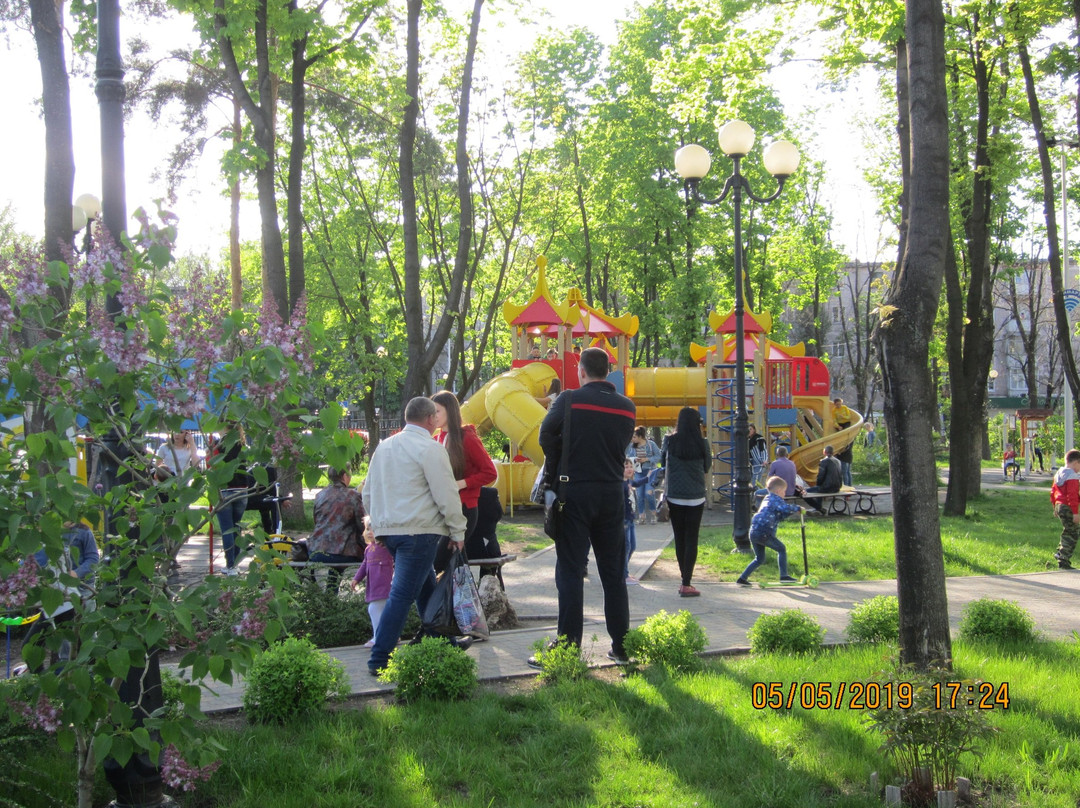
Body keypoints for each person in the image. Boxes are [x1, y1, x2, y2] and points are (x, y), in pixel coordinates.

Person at [531, 346, 635, 667]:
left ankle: (566, 648)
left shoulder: (568, 400)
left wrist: (567, 455)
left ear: (581, 371)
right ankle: (621, 645)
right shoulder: (627, 408)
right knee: (613, 572)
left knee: (571, 571)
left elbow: (545, 436)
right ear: (608, 371)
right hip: (611, 494)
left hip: (572, 492)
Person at [363, 397, 468, 676]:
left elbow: (367, 492)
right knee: (402, 593)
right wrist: (458, 531)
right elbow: (446, 494)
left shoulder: (383, 448)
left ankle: (446, 643)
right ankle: (379, 658)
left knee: (424, 589)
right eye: (435, 416)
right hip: (419, 532)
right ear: (431, 419)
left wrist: (378, 525)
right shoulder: (431, 449)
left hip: (390, 531)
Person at [430, 390, 498, 571]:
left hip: (464, 509)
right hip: (441, 511)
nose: (433, 416)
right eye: (431, 411)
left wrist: (462, 483)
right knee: (456, 564)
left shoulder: (466, 437)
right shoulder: (435, 439)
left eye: (437, 411)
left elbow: (490, 472)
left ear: (450, 411)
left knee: (438, 562)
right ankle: (463, 599)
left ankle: (451, 598)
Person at [22, 521, 99, 672]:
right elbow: (31, 565)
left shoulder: (81, 532)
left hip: (78, 594)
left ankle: (86, 683)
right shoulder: (43, 535)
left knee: (81, 647)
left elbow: (93, 559)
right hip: (56, 598)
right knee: (68, 649)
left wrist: (75, 574)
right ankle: (51, 686)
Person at [663, 407, 712, 597]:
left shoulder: (669, 441)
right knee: (692, 538)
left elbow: (662, 463)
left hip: (674, 496)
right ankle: (687, 582)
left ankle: (684, 578)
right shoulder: (702, 443)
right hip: (696, 496)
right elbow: (707, 467)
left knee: (679, 538)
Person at [737, 476, 805, 586]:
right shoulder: (776, 499)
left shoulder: (767, 499)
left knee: (759, 559)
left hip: (754, 531)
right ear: (778, 491)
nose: (784, 494)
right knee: (782, 549)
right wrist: (797, 508)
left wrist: (791, 512)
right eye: (784, 491)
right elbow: (784, 509)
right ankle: (784, 576)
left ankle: (742, 578)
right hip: (764, 531)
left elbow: (781, 514)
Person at [213, 424, 251, 576]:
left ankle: (230, 565)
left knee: (227, 529)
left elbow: (212, 465)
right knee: (236, 528)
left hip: (225, 489)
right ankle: (234, 563)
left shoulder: (220, 445)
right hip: (242, 490)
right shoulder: (243, 445)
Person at [308, 466, 366, 564]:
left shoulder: (320, 495)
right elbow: (362, 525)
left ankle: (332, 580)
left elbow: (316, 521)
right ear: (344, 476)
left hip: (315, 550)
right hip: (343, 553)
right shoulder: (353, 496)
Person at [352, 517, 393, 648]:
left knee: (374, 609)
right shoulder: (369, 549)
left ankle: (378, 637)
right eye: (368, 529)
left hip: (384, 585)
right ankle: (391, 635)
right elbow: (364, 565)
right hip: (373, 586)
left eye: (374, 529)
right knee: (383, 611)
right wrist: (356, 578)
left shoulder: (386, 548)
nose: (370, 532)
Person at [1050, 449, 1080, 570]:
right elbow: (1072, 495)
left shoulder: (1059, 473)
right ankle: (1063, 558)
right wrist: (1075, 512)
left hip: (1059, 505)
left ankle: (1060, 553)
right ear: (1076, 462)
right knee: (1073, 532)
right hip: (1068, 506)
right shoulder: (1072, 475)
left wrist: (1055, 507)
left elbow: (1053, 492)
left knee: (1069, 530)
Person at [626, 426, 662, 524]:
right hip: (638, 472)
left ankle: (654, 514)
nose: (632, 439)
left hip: (650, 471)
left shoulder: (651, 445)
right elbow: (627, 457)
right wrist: (634, 460)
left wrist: (647, 459)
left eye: (634, 437)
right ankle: (642, 516)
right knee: (639, 495)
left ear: (640, 436)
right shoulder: (632, 446)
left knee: (649, 493)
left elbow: (658, 455)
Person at [468, 486, 504, 584]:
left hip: (466, 549)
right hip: (488, 549)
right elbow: (499, 515)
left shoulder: (469, 507)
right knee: (490, 556)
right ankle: (486, 583)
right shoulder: (491, 496)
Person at [804, 444, 842, 514]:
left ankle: (819, 508)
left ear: (824, 452)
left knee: (804, 492)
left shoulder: (824, 461)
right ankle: (819, 508)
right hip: (837, 487)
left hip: (827, 488)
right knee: (819, 488)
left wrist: (818, 485)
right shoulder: (838, 461)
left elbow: (820, 476)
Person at [622, 459, 638, 585]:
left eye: (630, 466)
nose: (629, 469)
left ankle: (624, 571)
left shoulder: (629, 482)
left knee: (632, 546)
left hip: (631, 519)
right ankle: (623, 574)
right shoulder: (621, 485)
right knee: (626, 547)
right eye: (626, 466)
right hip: (624, 520)